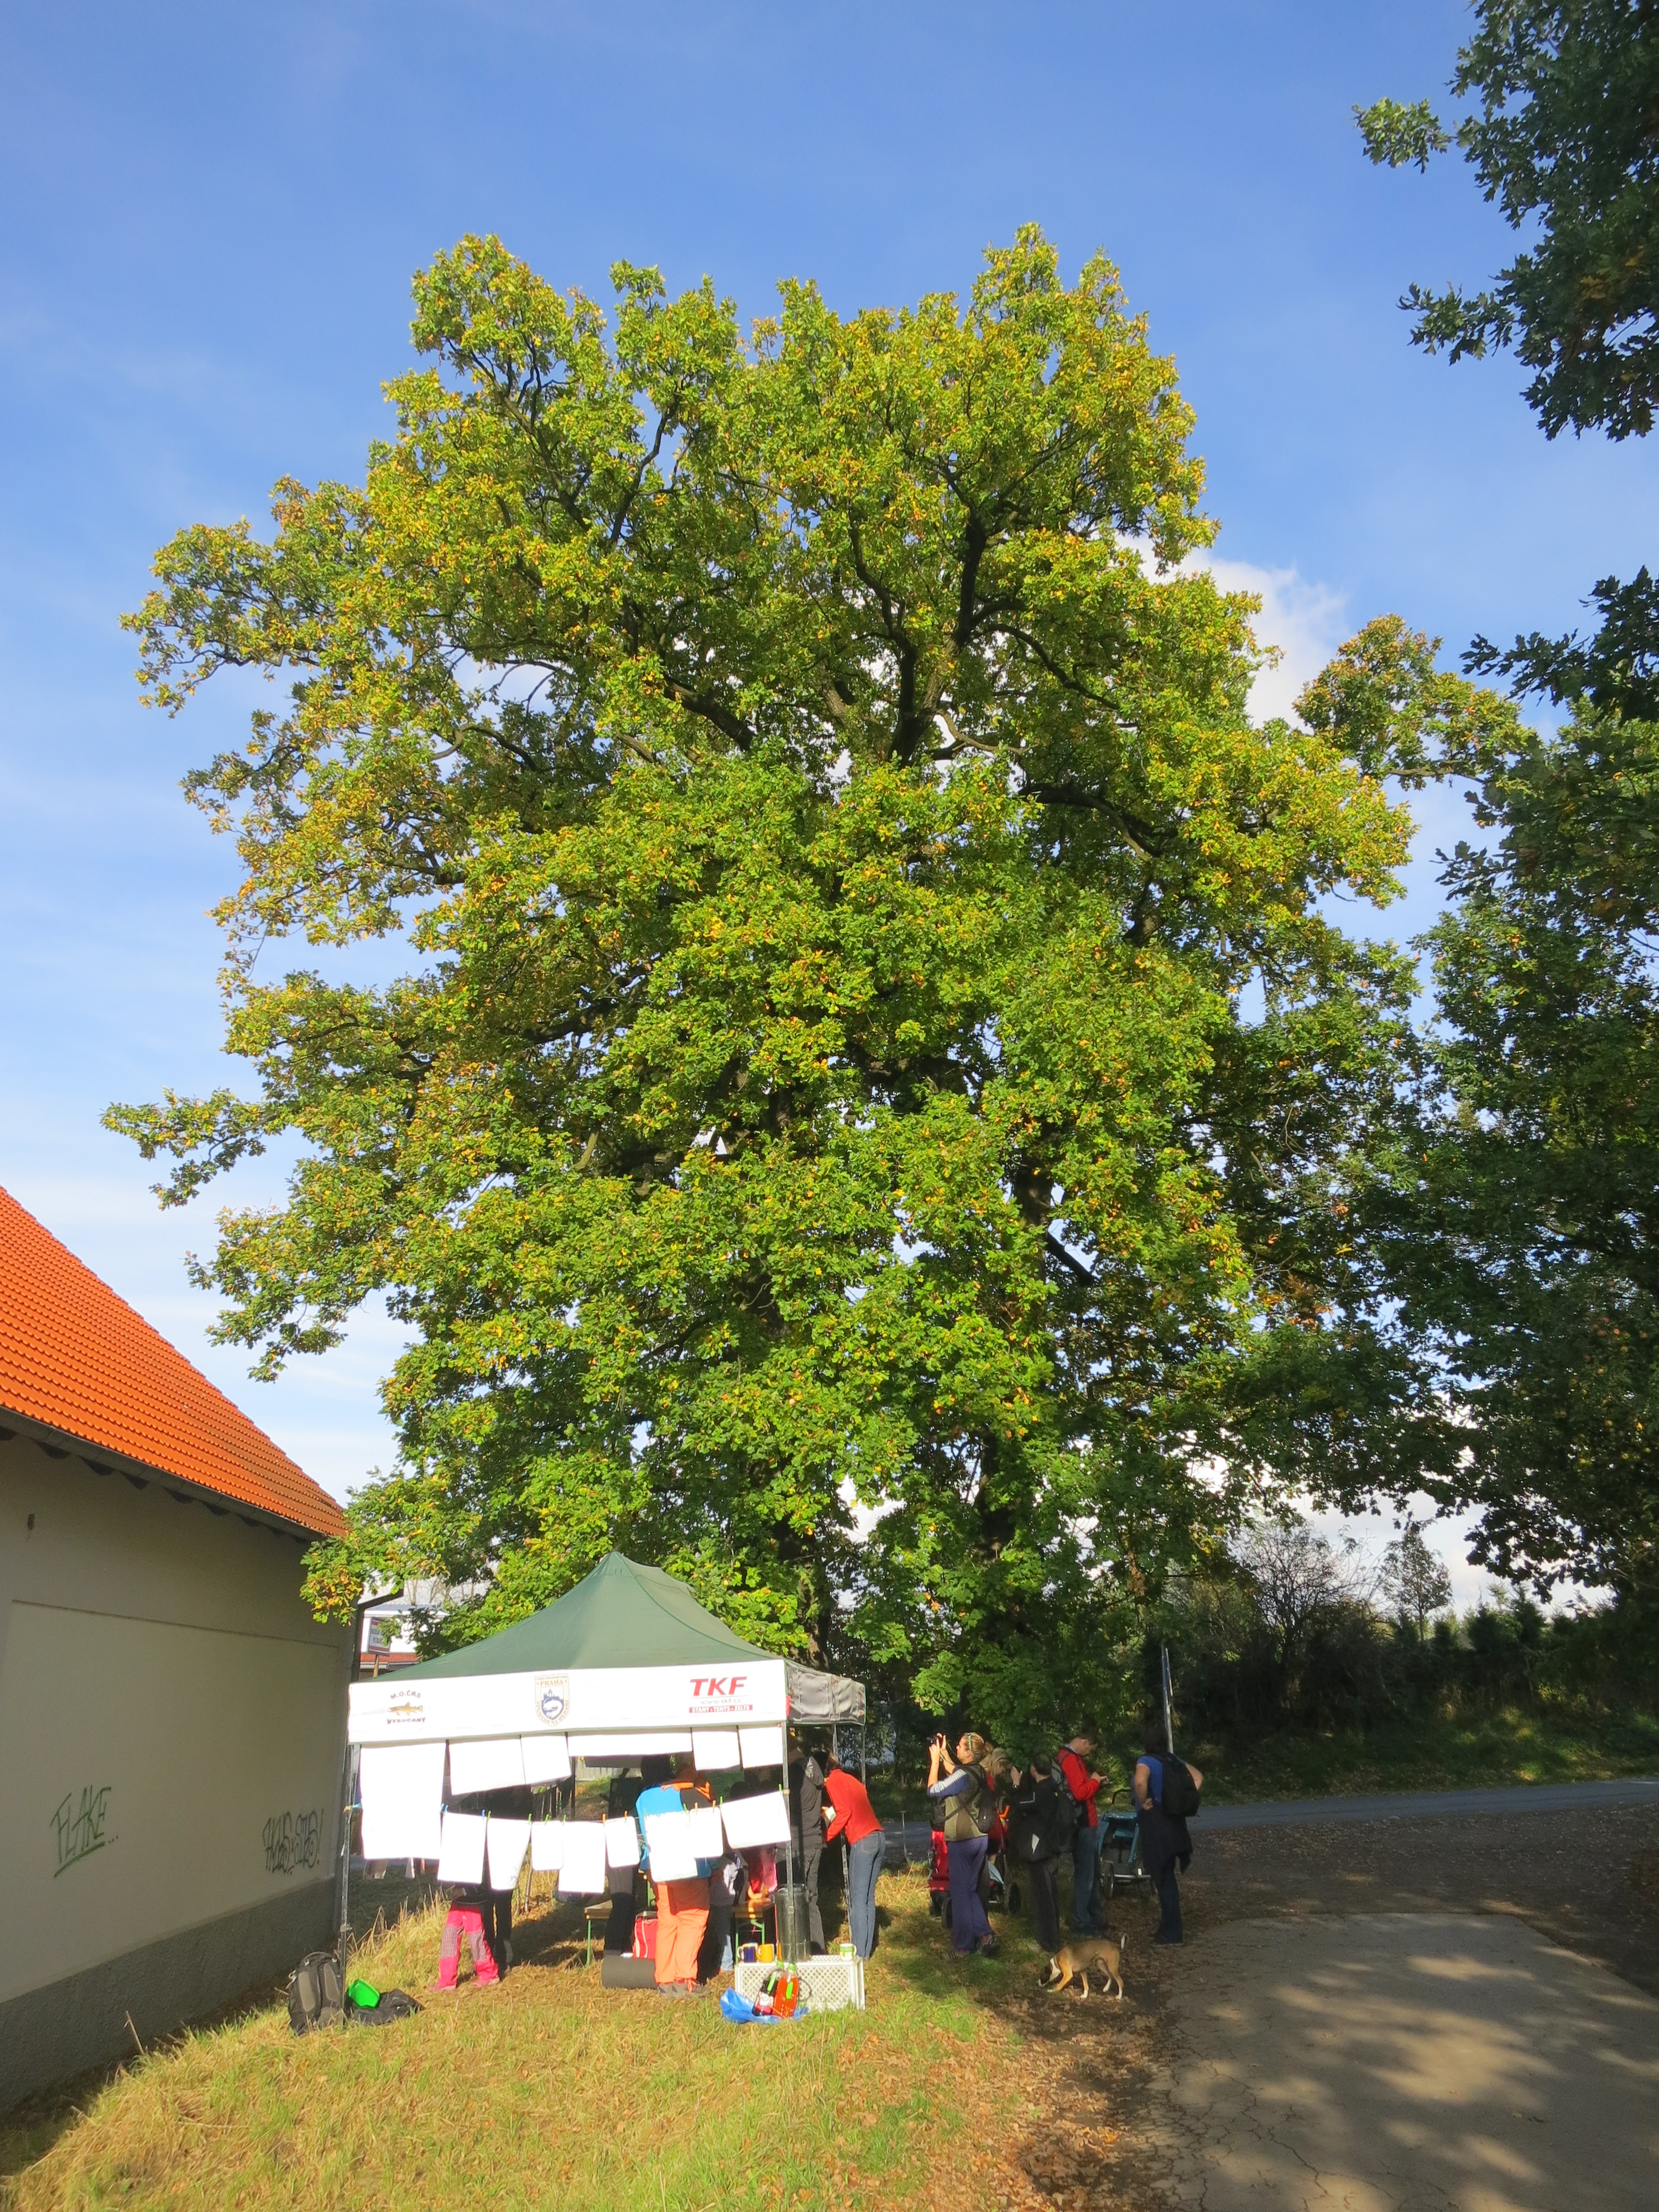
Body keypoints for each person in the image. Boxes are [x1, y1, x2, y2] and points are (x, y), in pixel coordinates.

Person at [635, 1754, 712, 1996]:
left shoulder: (642, 1799)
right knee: (693, 1917)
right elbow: (709, 1820)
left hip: (658, 1870)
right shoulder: (686, 1792)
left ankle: (665, 1978)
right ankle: (685, 1979)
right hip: (689, 1868)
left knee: (668, 1919)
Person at [926, 1731, 997, 1956]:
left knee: (959, 1894)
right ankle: (985, 1935)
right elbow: (956, 1771)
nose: (956, 1748)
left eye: (959, 1747)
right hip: (980, 1839)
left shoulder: (962, 1775)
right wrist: (945, 1752)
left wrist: (935, 1762)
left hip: (962, 1840)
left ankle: (963, 1947)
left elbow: (933, 1790)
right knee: (970, 1890)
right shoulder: (978, 1772)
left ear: (969, 1752)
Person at [1133, 1715, 1201, 1945]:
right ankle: (1168, 1926)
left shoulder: (1146, 1761)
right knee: (1167, 1876)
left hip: (1156, 1825)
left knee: (1164, 1879)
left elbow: (1140, 1782)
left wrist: (1143, 1801)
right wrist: (1179, 1799)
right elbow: (1198, 1778)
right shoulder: (1173, 1760)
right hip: (1175, 1823)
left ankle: (1172, 1933)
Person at [821, 1752, 884, 1959]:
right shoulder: (851, 1779)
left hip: (862, 1840)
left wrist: (826, 1836)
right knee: (867, 1898)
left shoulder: (832, 1782)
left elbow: (845, 1812)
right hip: (878, 1836)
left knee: (857, 1899)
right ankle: (866, 1952)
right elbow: (851, 1806)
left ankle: (858, 1954)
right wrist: (830, 1813)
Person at [1007, 1753, 1066, 1954]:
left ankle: (1048, 1944)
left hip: (1041, 1851)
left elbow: (1018, 1804)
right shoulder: (1054, 1788)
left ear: (1034, 1770)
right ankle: (1052, 1940)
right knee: (1050, 1896)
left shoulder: (1041, 1793)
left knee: (1043, 1899)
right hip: (1051, 1849)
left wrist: (1015, 1784)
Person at [1055, 1730, 1105, 1933]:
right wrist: (1094, 1781)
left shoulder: (1067, 1757)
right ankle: (1081, 1921)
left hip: (1084, 1822)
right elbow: (1080, 1792)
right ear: (1085, 1742)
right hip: (1083, 1823)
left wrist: (1095, 1783)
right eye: (1090, 1749)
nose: (1089, 1753)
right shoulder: (1070, 1759)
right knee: (1086, 1874)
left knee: (1093, 1871)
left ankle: (1095, 1917)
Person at [603, 1764, 650, 1955]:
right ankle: (612, 1951)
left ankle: (624, 1947)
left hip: (627, 1851)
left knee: (629, 1901)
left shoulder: (642, 1798)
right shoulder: (641, 1800)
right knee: (622, 1901)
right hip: (619, 1847)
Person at [787, 1734, 828, 1953]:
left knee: (795, 1900)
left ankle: (799, 1950)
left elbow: (789, 1808)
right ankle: (818, 1949)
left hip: (798, 1842)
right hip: (814, 1839)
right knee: (811, 1899)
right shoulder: (814, 1768)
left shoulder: (794, 1773)